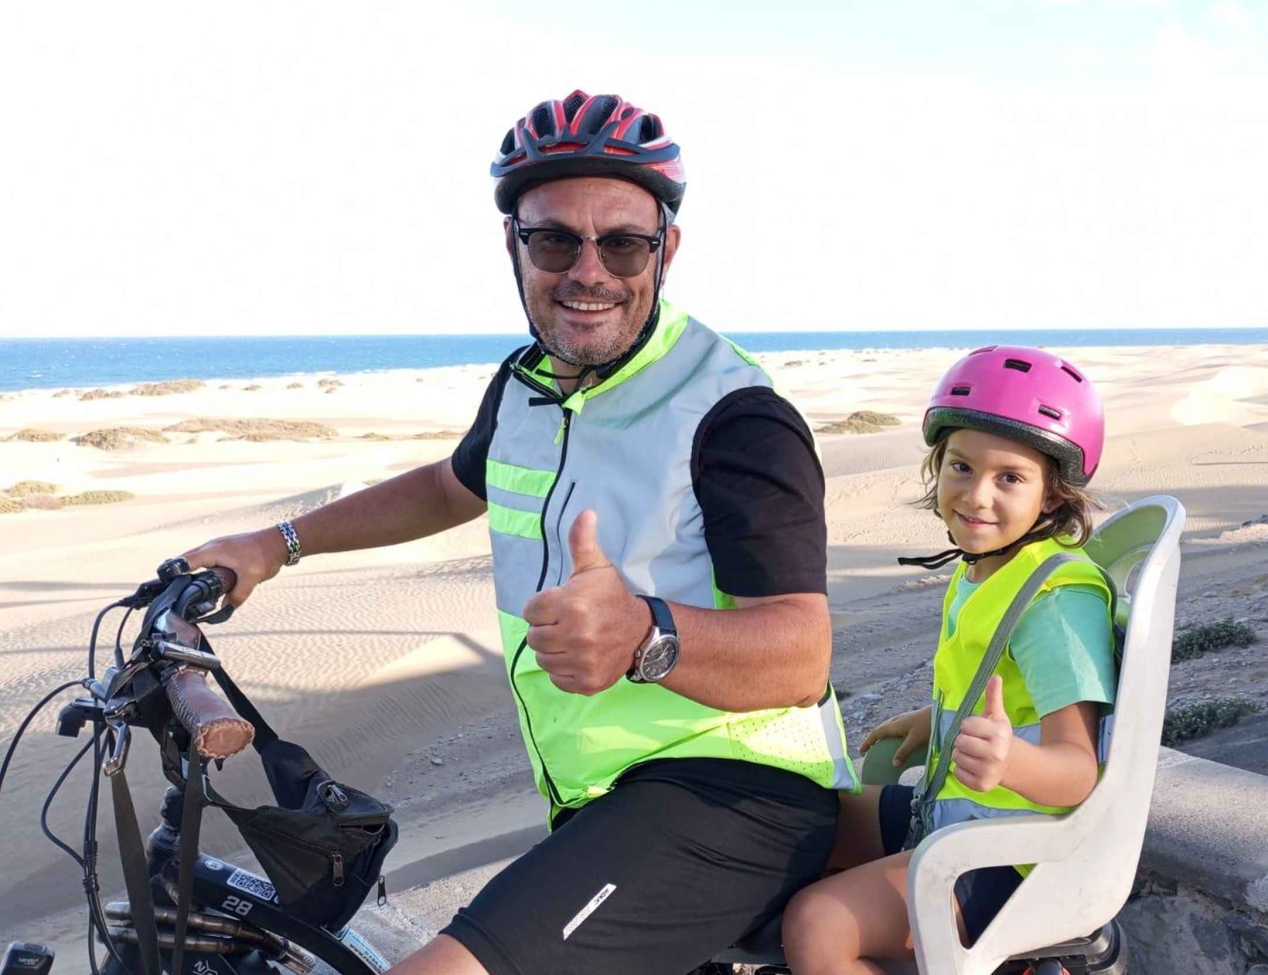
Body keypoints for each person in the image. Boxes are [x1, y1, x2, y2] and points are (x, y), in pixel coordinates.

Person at [182, 90, 857, 975]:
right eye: (554, 240)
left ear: (668, 249)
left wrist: (647, 634)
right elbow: (449, 484)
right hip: (607, 802)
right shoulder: (529, 383)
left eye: (622, 242)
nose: (589, 271)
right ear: (514, 246)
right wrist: (277, 545)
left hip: (735, 794)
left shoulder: (734, 413)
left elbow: (801, 653)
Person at [781, 347, 1118, 973]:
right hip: (950, 815)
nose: (975, 495)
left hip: (1010, 858)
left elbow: (1078, 771)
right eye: (961, 466)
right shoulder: (986, 571)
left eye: (1010, 477)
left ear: (1051, 497)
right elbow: (1005, 692)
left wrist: (1010, 760)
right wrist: (935, 718)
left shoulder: (1052, 602)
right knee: (789, 819)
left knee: (817, 923)